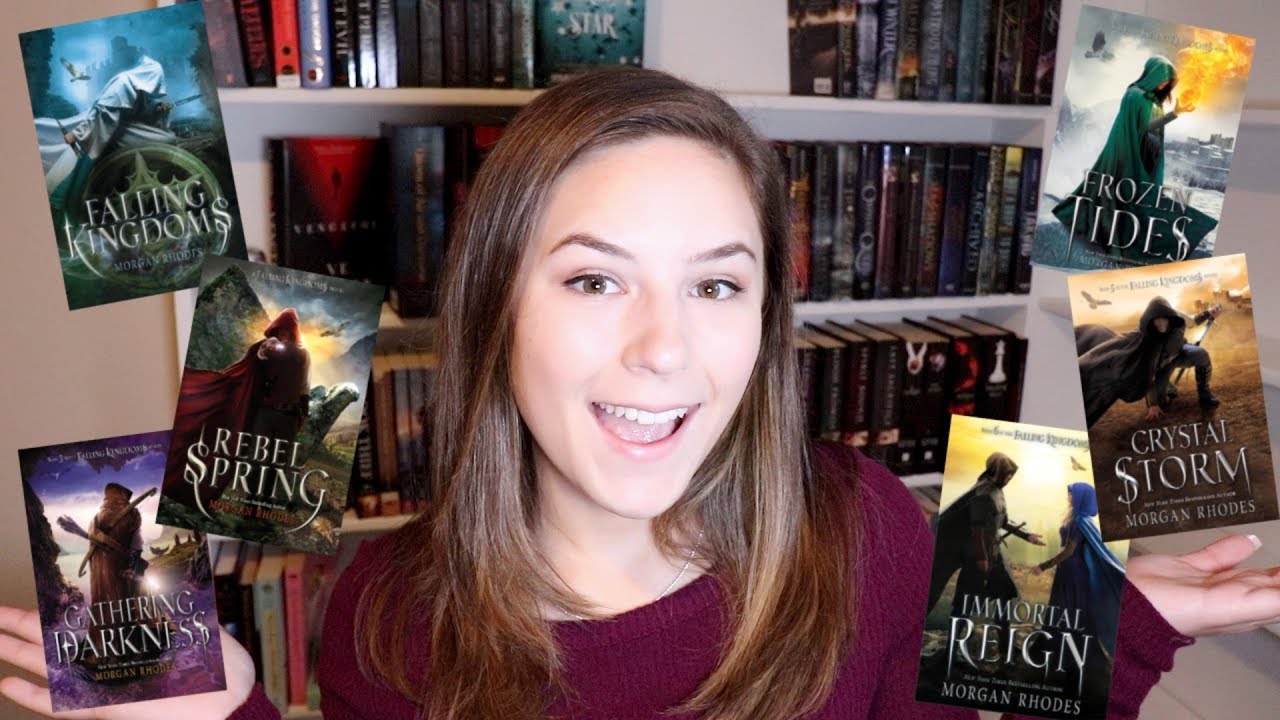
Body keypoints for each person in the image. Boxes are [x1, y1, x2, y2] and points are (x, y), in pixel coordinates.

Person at [3, 67, 1280, 720]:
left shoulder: (867, 529)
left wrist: (1091, 641)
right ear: (495, 309)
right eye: (594, 280)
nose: (665, 350)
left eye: (716, 285)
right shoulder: (385, 613)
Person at [1049, 55, 1215, 263]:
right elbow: (1146, 127)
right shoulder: (1136, 96)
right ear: (1152, 74)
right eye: (1163, 80)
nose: (1164, 85)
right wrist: (1175, 113)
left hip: (1147, 157)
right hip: (1129, 155)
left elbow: (1152, 131)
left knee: (1139, 200)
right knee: (1127, 198)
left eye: (1168, 83)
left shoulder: (1151, 99)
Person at [161, 308, 311, 512]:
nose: (282, 334)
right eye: (279, 330)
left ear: (293, 332)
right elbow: (248, 370)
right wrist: (263, 351)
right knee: (256, 460)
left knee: (278, 464)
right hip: (265, 413)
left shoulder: (303, 355)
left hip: (289, 416)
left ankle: (264, 508)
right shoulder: (266, 348)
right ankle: (251, 504)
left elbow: (304, 387)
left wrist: (304, 414)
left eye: (286, 331)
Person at [35, 36, 177, 209]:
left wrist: (159, 109)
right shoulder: (123, 83)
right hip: (110, 133)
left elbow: (139, 111)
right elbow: (102, 116)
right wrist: (77, 134)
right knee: (166, 140)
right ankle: (71, 204)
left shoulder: (134, 85)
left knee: (167, 139)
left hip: (119, 130)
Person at [925, 452, 1045, 621]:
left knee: (1004, 589)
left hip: (986, 549)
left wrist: (1027, 535)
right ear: (997, 471)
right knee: (935, 592)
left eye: (1011, 474)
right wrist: (982, 559)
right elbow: (978, 529)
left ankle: (1002, 636)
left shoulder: (997, 490)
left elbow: (1002, 520)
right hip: (964, 549)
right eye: (1006, 473)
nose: (1009, 477)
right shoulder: (984, 492)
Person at [1077, 296, 1220, 428]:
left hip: (1180, 353)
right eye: (1156, 319)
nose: (1160, 323)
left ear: (1169, 316)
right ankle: (1167, 387)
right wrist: (1152, 404)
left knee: (1201, 355)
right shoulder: (1147, 337)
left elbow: (1193, 321)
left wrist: (1209, 313)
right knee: (1160, 405)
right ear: (1151, 320)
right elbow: (1148, 372)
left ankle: (1204, 392)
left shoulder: (1178, 316)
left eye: (1163, 318)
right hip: (1160, 367)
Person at [1032, 483, 1126, 665]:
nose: (1069, 497)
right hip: (1068, 570)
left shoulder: (1080, 522)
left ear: (1082, 497)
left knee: (1068, 608)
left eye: (1072, 494)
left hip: (1073, 571)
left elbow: (1069, 551)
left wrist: (1043, 566)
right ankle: (1059, 648)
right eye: (1069, 494)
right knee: (1066, 608)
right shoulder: (1078, 519)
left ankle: (1063, 651)